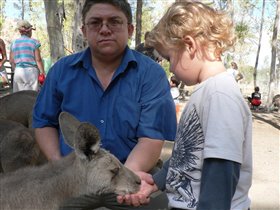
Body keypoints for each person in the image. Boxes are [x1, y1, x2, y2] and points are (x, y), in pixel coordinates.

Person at [32, 0, 176, 208]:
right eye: (96, 22)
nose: (105, 29)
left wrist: (127, 174)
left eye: (114, 22)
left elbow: (152, 137)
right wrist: (58, 164)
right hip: (75, 176)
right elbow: (43, 122)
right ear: (83, 30)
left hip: (130, 171)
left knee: (159, 204)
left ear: (130, 29)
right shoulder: (61, 71)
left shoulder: (150, 74)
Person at [117, 2, 253, 210]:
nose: (170, 68)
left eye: (170, 58)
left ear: (189, 45)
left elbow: (222, 170)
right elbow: (188, 154)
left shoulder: (220, 95)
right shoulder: (206, 92)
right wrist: (157, 181)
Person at [9, 20, 45, 92]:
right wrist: (42, 72)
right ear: (29, 31)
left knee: (18, 96)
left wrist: (15, 69)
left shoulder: (14, 43)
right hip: (31, 72)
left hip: (18, 72)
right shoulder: (34, 42)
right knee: (31, 96)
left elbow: (11, 61)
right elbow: (38, 60)